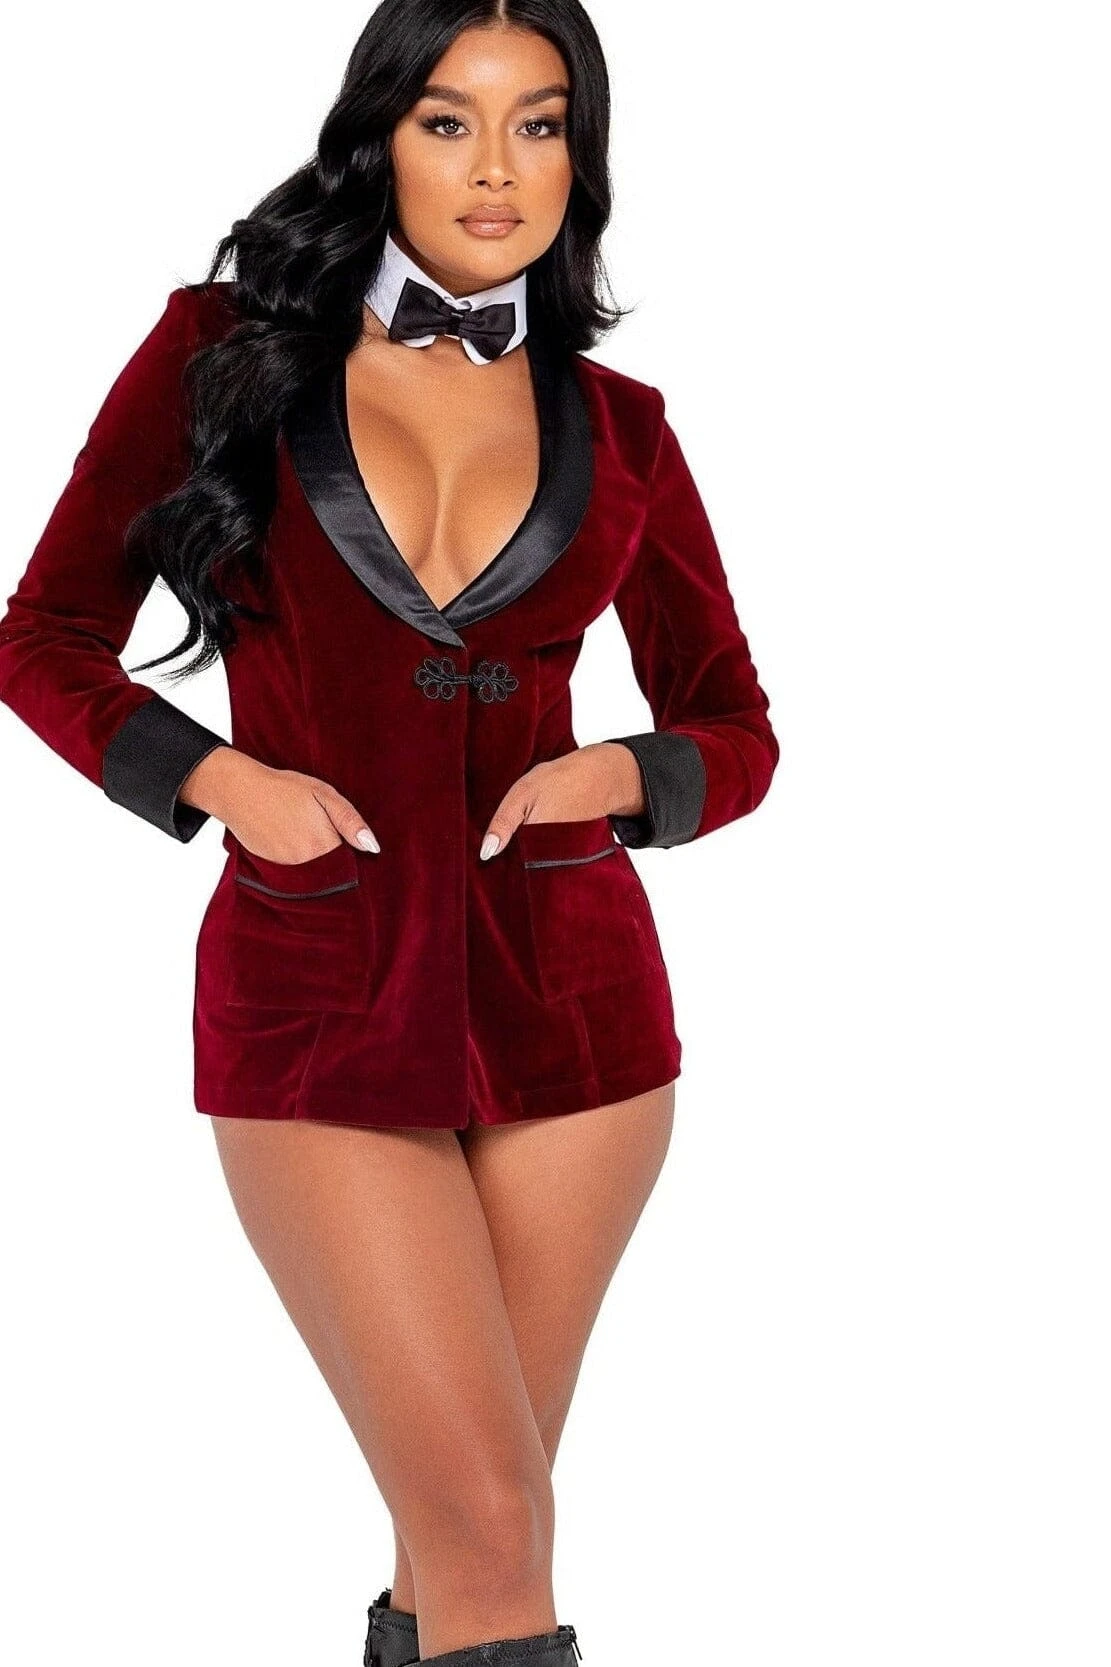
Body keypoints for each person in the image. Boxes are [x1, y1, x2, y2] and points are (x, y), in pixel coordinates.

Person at [0, 3, 779, 1663]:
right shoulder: (219, 353)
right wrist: (224, 782)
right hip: (317, 989)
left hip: (577, 1014)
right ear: (378, 139)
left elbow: (735, 724)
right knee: (490, 1521)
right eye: (447, 121)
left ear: (581, 156)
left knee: (469, 1541)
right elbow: (44, 635)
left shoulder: (624, 425)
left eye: (538, 124)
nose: (496, 167)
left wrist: (619, 774)